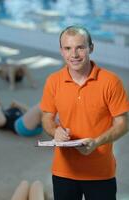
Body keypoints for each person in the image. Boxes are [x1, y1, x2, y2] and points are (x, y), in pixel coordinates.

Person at [39, 26, 129, 200]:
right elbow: (46, 117)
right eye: (68, 48)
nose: (74, 54)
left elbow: (123, 123)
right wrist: (54, 130)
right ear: (61, 51)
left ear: (91, 48)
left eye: (80, 47)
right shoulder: (53, 81)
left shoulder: (111, 82)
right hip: (63, 172)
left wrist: (97, 142)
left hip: (101, 173)